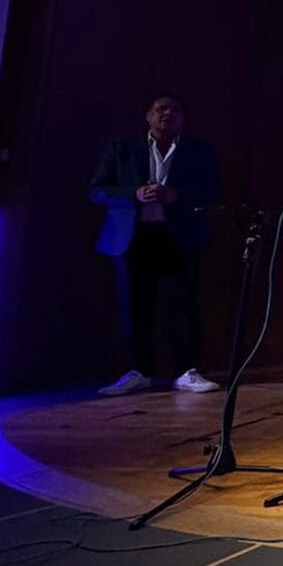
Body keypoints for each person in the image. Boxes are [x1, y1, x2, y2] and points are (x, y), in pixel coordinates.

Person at [93, 94, 223, 396]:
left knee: (184, 305)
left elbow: (213, 190)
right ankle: (139, 371)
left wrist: (177, 196)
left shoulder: (198, 151)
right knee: (136, 305)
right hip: (134, 236)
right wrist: (133, 193)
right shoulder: (122, 148)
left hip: (178, 236)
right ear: (148, 116)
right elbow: (97, 189)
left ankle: (187, 371)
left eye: (175, 110)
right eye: (161, 109)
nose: (168, 115)